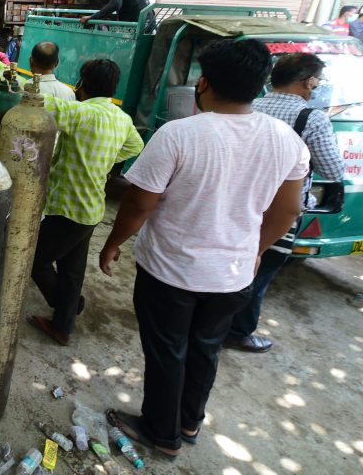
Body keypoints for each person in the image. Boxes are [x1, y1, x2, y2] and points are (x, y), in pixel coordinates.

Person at [98, 39, 308, 459]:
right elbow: (288, 211)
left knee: (167, 352)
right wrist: (257, 250)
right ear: (259, 85)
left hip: (170, 273)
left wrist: (112, 243)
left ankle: (162, 433)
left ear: (204, 83)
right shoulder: (285, 140)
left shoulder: (178, 134)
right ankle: (190, 421)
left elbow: (140, 203)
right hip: (232, 276)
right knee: (206, 348)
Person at [224, 53, 343, 353]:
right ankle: (236, 331)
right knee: (258, 272)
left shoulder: (247, 104)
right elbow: (332, 170)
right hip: (279, 211)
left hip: (237, 200)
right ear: (309, 82)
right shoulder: (311, 118)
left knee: (228, 262)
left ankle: (210, 321)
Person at [26, 59, 143, 345]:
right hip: (91, 210)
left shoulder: (79, 112)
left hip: (68, 210)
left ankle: (66, 304)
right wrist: (104, 158)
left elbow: (34, 100)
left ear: (82, 84)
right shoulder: (122, 119)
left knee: (34, 260)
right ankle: (62, 326)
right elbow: (135, 146)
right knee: (72, 269)